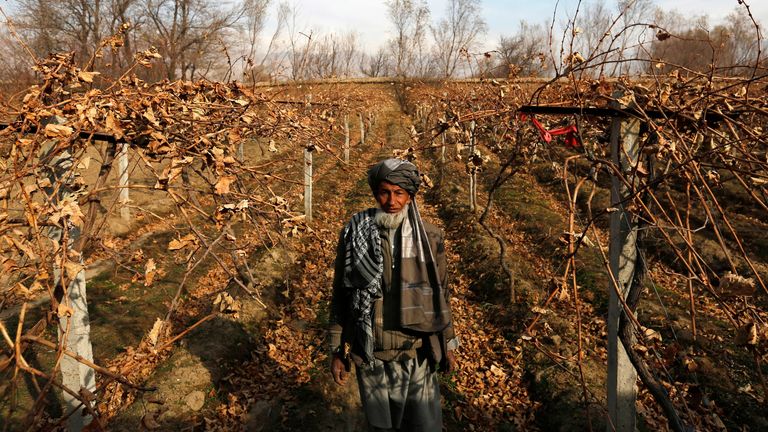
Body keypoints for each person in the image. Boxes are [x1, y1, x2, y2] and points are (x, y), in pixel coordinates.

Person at [328, 158, 459, 432]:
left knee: (423, 425)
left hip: (416, 351)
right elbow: (342, 293)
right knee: (381, 426)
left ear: (410, 195)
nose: (391, 200)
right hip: (372, 352)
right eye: (385, 192)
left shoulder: (430, 237)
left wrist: (448, 345)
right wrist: (337, 349)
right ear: (376, 193)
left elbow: (441, 294)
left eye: (399, 193)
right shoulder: (354, 233)